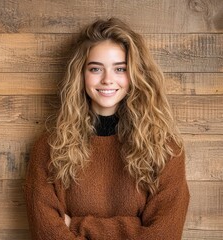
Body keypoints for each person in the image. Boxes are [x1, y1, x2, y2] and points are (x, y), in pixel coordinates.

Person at [24, 18, 190, 240]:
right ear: (81, 75)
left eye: (120, 69)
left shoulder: (165, 150)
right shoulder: (49, 148)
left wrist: (77, 225)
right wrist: (134, 227)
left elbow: (164, 235)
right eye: (95, 69)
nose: (107, 80)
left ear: (134, 74)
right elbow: (46, 234)